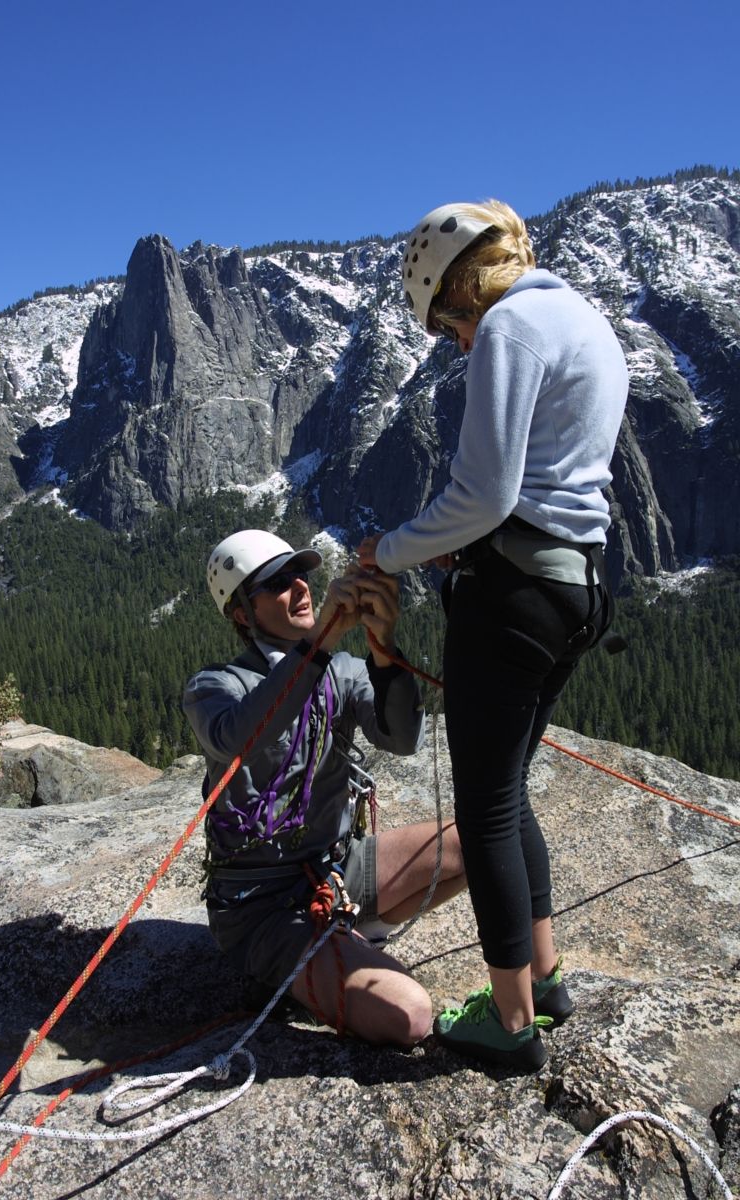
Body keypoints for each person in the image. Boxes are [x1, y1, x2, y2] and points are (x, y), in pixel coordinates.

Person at [357, 200, 629, 1071]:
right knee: (507, 791)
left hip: (513, 601)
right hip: (576, 586)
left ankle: (510, 1026)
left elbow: (485, 496)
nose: (455, 338)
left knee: (483, 810)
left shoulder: (512, 327)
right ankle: (542, 983)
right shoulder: (582, 317)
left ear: (463, 285)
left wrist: (391, 553)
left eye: (447, 319)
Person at [183, 529, 467, 1046]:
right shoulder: (215, 687)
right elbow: (241, 736)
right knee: (410, 1015)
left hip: (337, 869)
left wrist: (382, 649)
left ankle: (349, 937)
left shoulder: (341, 670)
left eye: (301, 574)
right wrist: (318, 647)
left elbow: (401, 739)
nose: (300, 588)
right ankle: (304, 960)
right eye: (278, 582)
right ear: (243, 614)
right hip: (260, 906)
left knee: (478, 844)